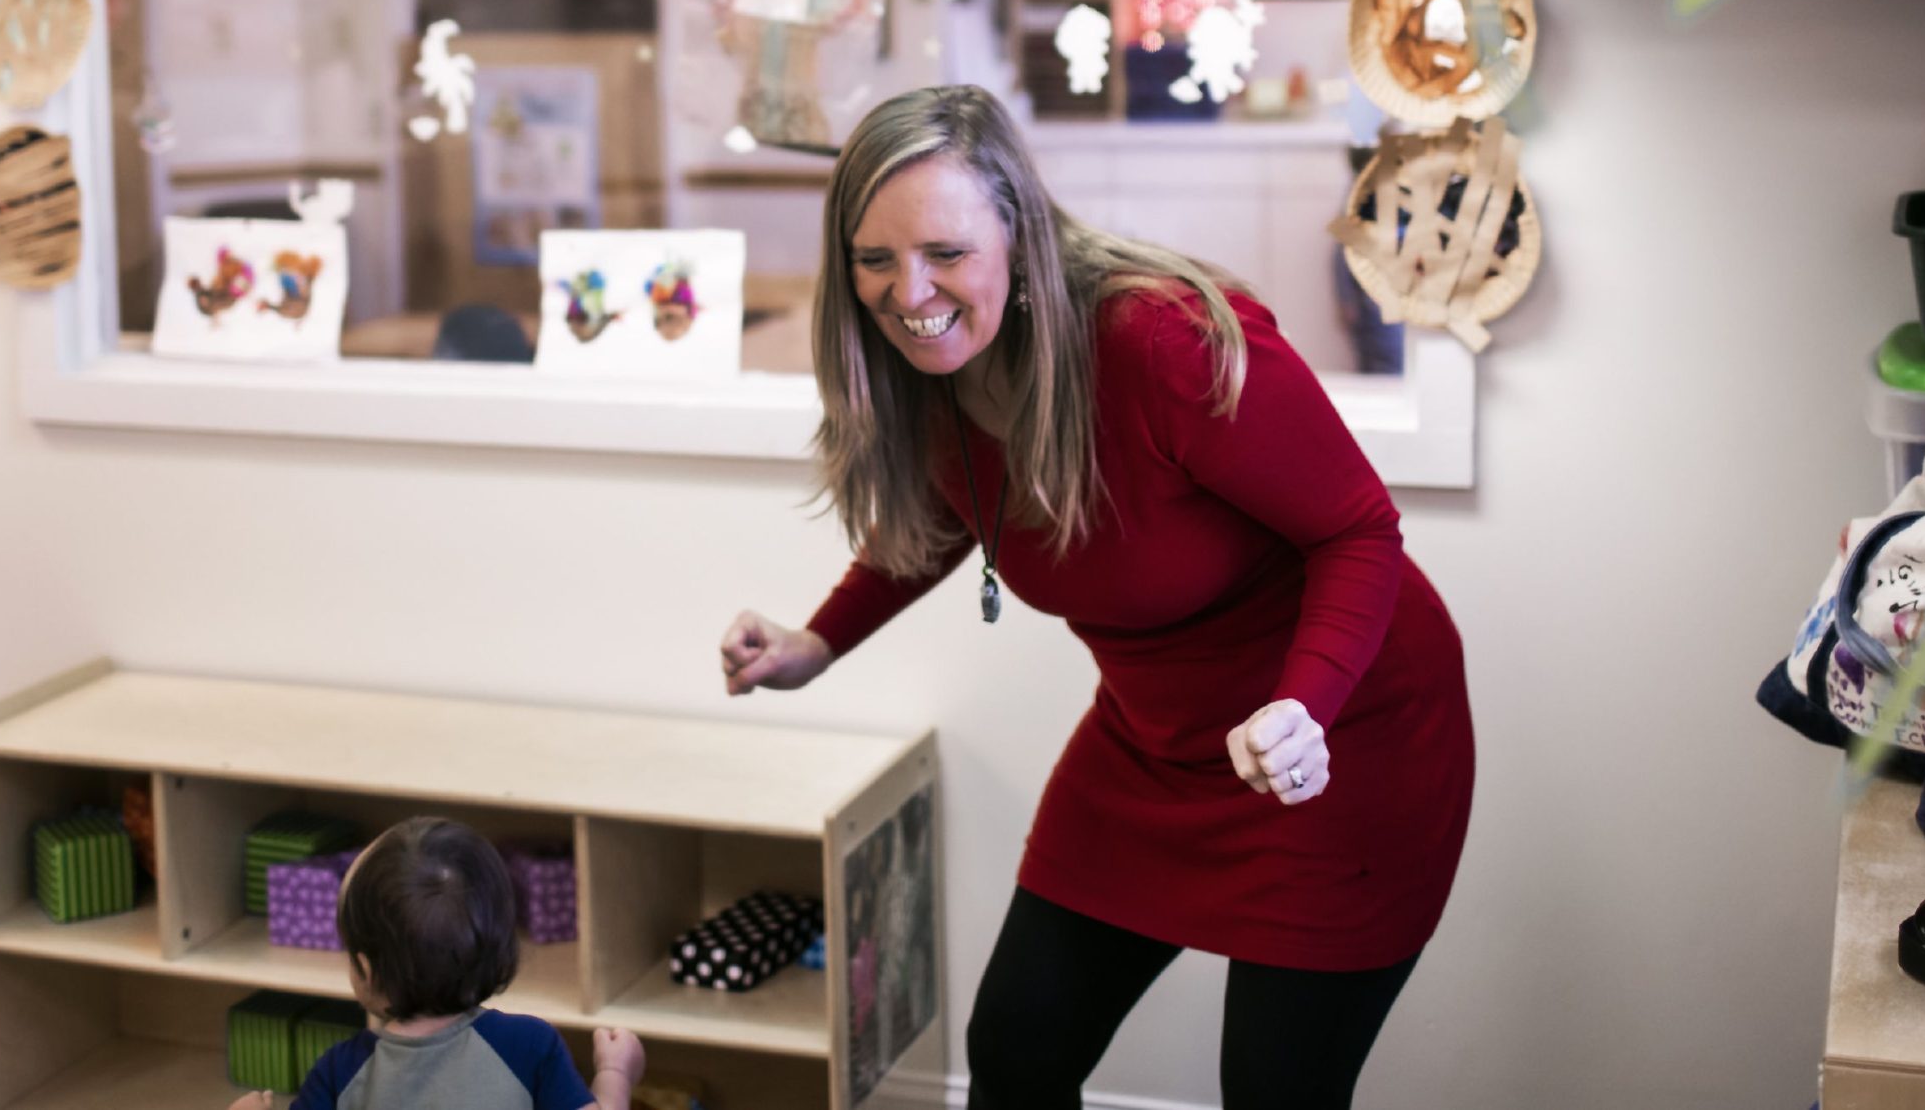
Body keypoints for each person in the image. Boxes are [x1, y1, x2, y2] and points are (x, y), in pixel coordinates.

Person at [719, 86, 1473, 1110]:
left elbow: (1354, 527)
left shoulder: (1157, 341)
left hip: (1337, 739)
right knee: (1019, 1043)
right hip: (1154, 743)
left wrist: (1306, 705)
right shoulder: (930, 367)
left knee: (1273, 1086)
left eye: (944, 251)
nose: (909, 290)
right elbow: (950, 515)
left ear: (1018, 236)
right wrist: (816, 640)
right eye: (875, 259)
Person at [229, 817, 645, 1110]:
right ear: (497, 948)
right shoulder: (529, 1046)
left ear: (365, 971)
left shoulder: (341, 1071)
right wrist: (614, 1073)